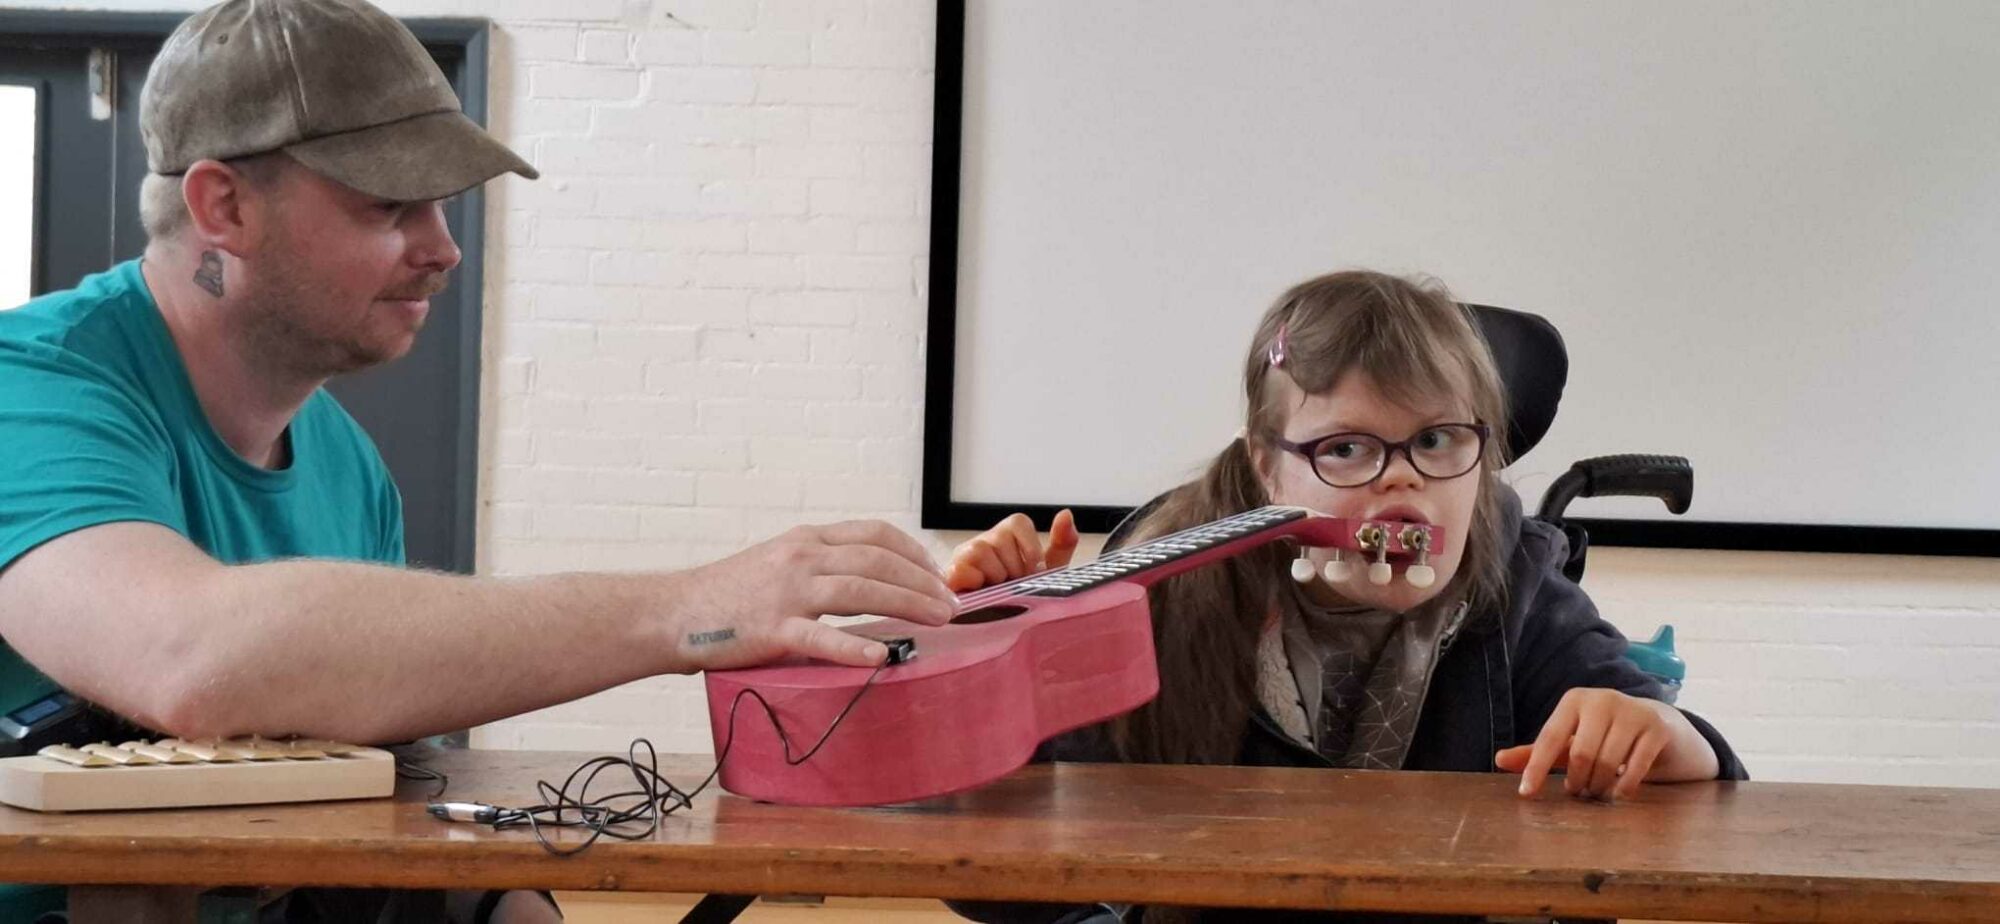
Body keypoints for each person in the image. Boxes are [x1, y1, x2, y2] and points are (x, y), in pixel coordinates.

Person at [0, 1, 954, 920]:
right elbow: (189, 659)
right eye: (389, 204)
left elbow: (381, 792)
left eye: (442, 206)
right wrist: (689, 610)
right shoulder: (31, 388)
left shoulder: (347, 466)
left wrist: (503, 902)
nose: (444, 248)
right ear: (225, 205)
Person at [945, 270, 1744, 924]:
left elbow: (1714, 789)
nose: (1401, 479)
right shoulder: (1163, 592)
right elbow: (997, 884)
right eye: (1347, 448)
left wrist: (1664, 736)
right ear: (1267, 467)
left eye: (1438, 440)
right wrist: (994, 663)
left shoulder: (1519, 586)